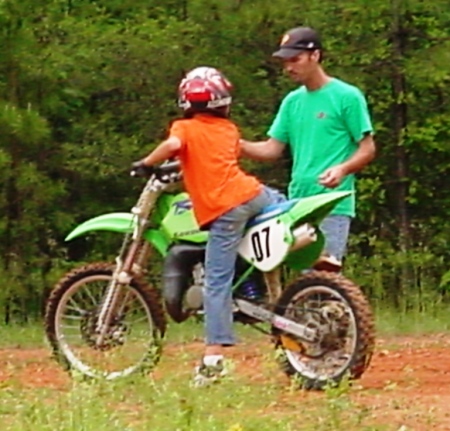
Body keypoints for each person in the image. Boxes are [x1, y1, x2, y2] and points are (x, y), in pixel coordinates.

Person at [131, 66, 285, 386]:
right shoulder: (228, 129)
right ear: (223, 101)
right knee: (277, 199)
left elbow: (174, 147)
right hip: (254, 195)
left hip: (226, 208)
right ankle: (266, 284)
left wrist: (147, 164)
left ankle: (213, 359)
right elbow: (211, 158)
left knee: (217, 281)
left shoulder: (184, 128)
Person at [241, 26, 376, 266]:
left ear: (315, 56)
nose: (289, 67)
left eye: (295, 59)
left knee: (325, 275)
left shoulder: (346, 96)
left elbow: (367, 148)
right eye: (285, 62)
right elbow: (272, 149)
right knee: (303, 281)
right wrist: (236, 145)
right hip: (297, 204)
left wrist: (342, 169)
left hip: (331, 203)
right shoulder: (292, 102)